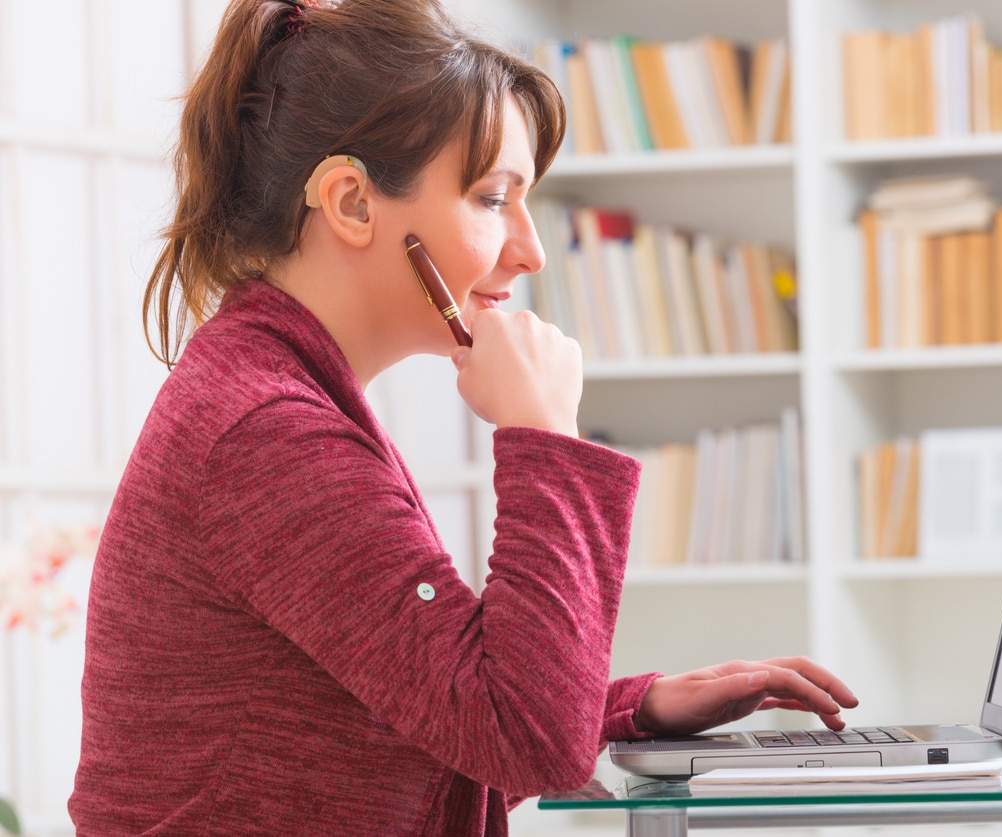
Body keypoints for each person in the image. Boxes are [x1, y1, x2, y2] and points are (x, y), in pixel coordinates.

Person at [68, 0, 858, 833]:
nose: (531, 249)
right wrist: (545, 437)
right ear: (353, 203)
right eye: (492, 198)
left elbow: (453, 711)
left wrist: (634, 707)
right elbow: (525, 741)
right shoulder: (265, 431)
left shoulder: (277, 393)